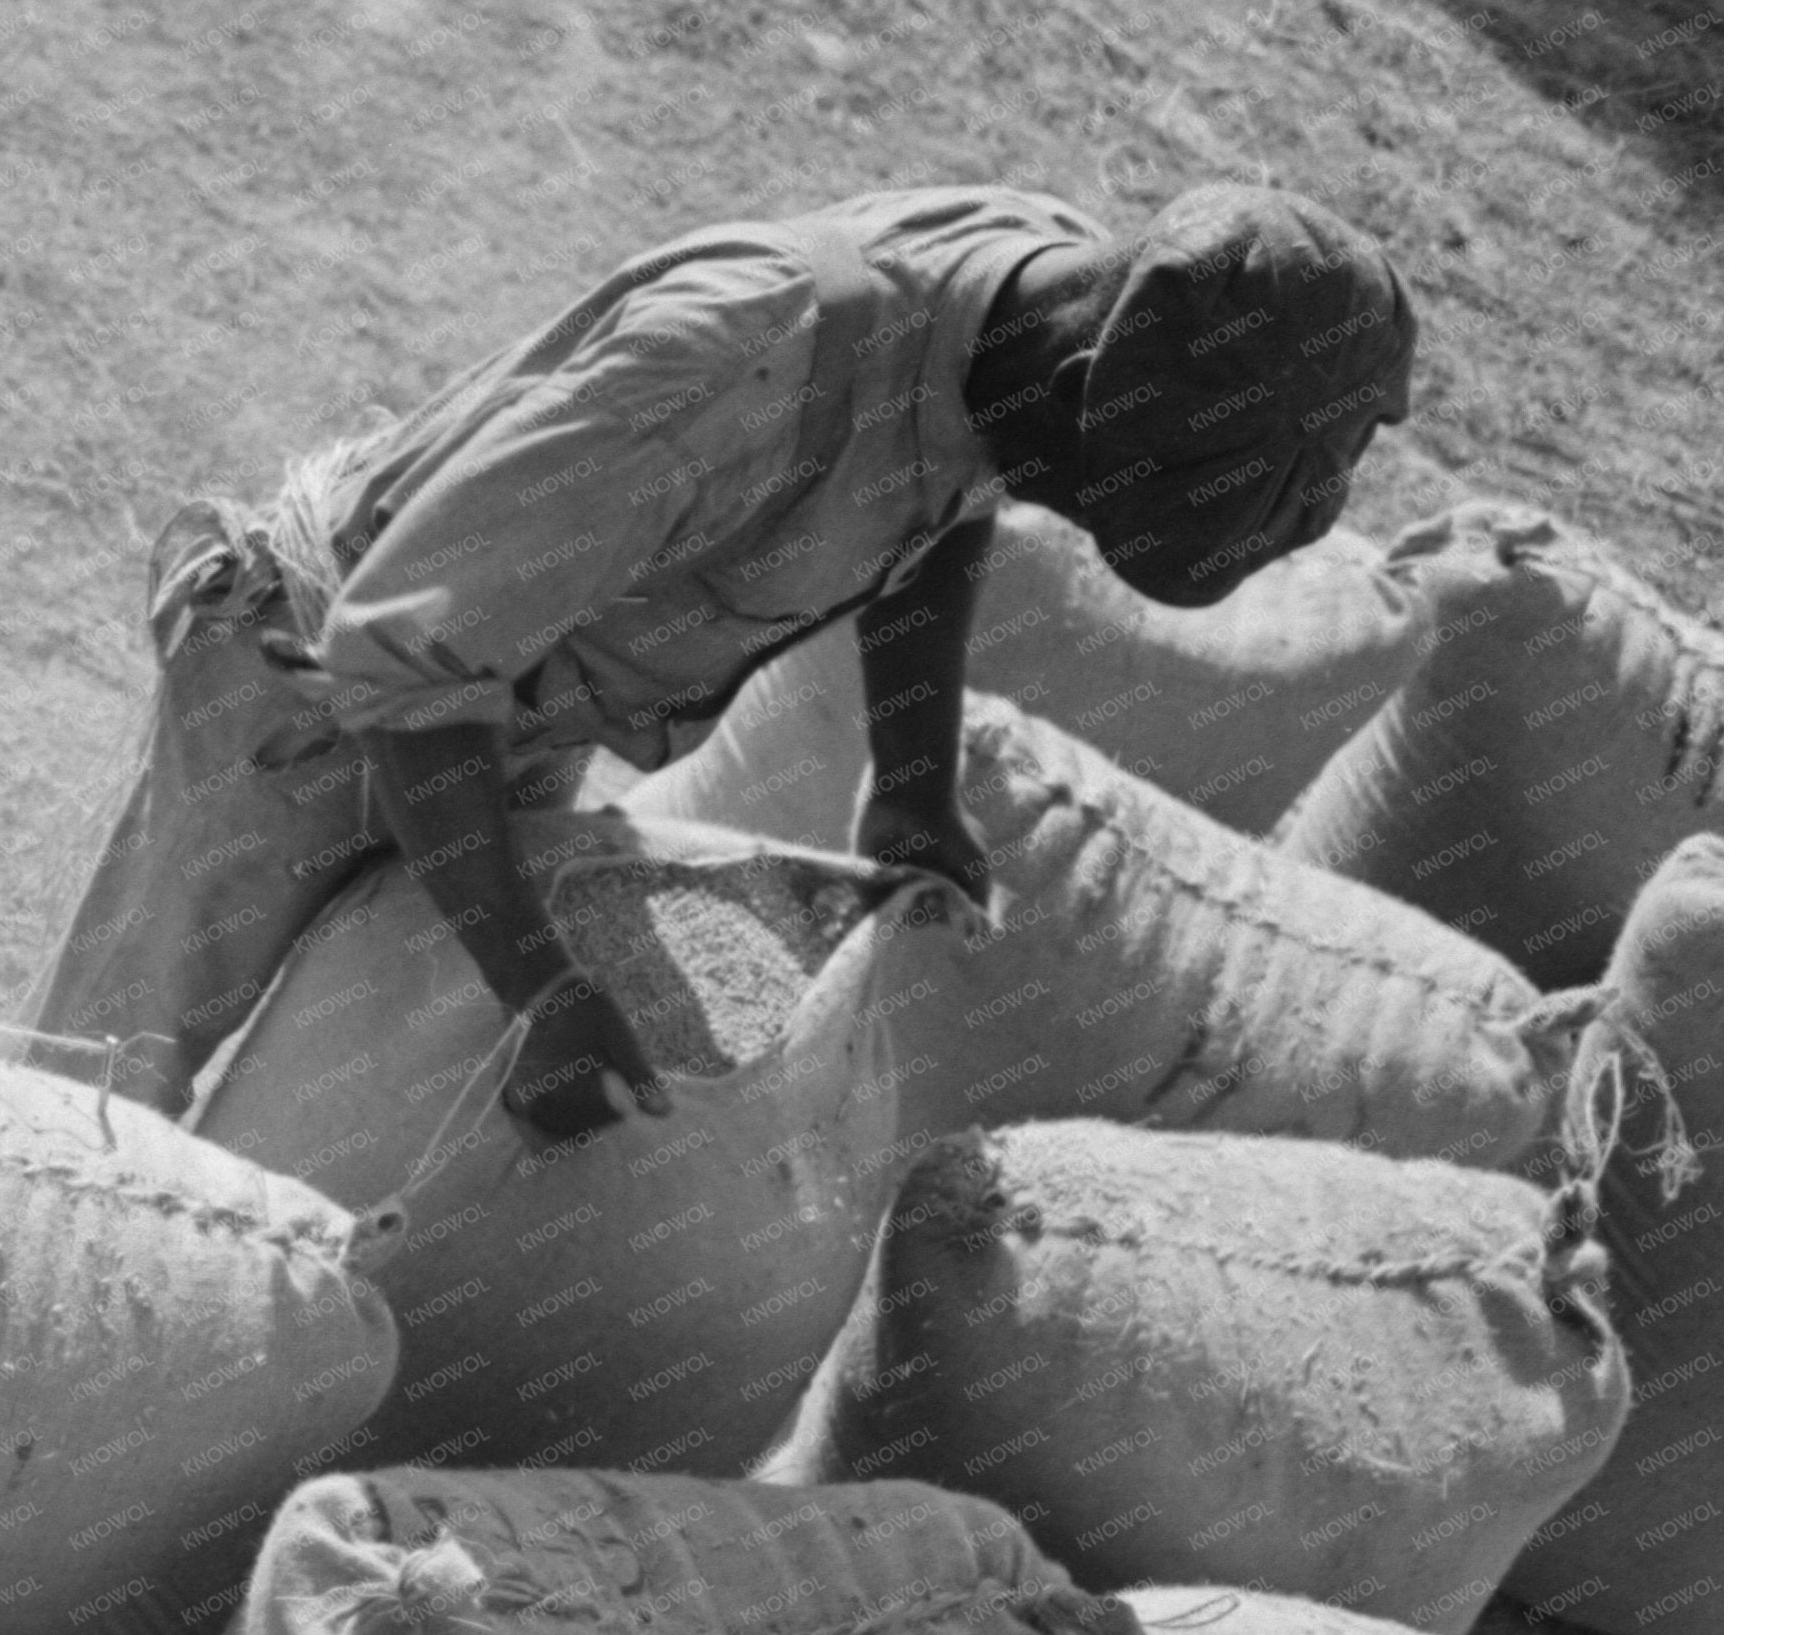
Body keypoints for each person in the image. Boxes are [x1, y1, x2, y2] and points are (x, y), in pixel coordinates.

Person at [249, 182, 1418, 1140]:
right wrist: (541, 990)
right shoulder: (734, 366)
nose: (1038, 511)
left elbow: (948, 499)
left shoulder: (1040, 323)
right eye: (1067, 494)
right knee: (134, 1080)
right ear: (1069, 399)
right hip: (300, 687)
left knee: (334, 1075)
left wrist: (911, 779)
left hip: (498, 707)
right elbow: (398, 651)